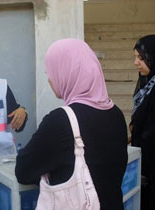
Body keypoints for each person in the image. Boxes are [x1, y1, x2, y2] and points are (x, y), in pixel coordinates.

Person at [15, 38, 128, 209]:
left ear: (67, 72)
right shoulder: (116, 113)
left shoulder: (61, 121)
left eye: (51, 73)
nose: (50, 80)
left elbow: (23, 171)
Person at [130, 34, 155, 210]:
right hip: (143, 168)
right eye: (135, 57)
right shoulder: (146, 85)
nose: (136, 63)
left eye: (141, 58)